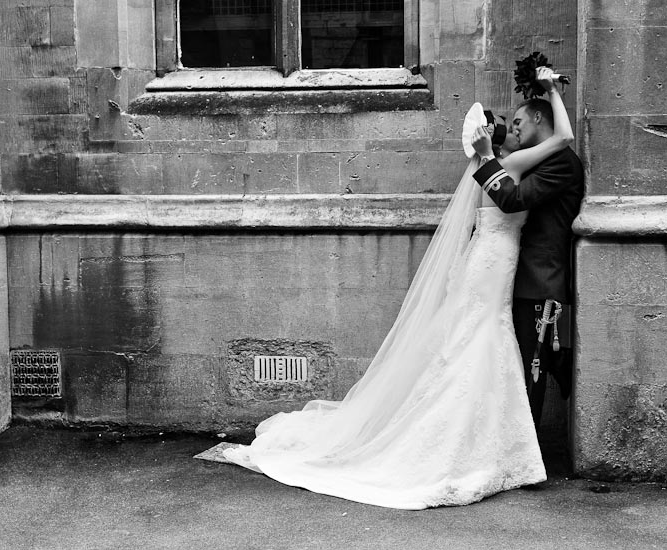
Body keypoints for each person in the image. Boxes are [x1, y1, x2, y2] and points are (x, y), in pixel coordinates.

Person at [199, 67, 576, 510]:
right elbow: (562, 141)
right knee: (480, 343)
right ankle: (482, 444)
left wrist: (546, 95)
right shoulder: (504, 165)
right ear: (495, 142)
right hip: (493, 267)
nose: (514, 135)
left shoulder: (494, 165)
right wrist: (549, 93)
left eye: (517, 126)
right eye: (506, 130)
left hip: (489, 265)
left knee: (473, 344)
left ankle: (488, 440)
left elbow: (556, 149)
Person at [471, 68, 584, 429]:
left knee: (532, 370)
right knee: (519, 367)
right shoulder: (540, 159)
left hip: (541, 280)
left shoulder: (562, 163)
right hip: (520, 278)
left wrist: (489, 157)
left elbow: (513, 199)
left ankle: (527, 451)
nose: (515, 128)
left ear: (538, 116)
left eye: (519, 120)